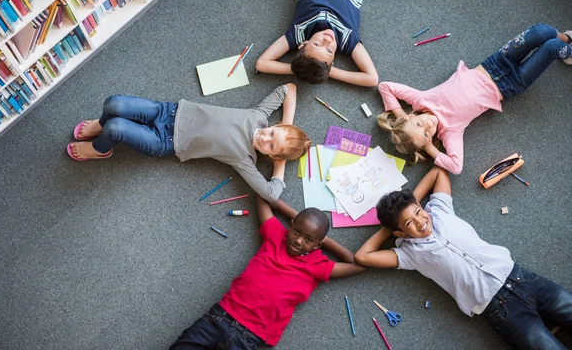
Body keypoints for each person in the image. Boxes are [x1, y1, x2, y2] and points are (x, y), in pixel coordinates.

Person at [354, 166, 572, 349]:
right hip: (499, 308)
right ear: (400, 234)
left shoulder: (439, 210)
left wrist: (410, 205)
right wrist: (393, 227)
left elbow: (438, 172)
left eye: (419, 213)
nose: (421, 222)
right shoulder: (408, 253)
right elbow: (362, 256)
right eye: (410, 224)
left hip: (520, 277)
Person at [169, 196, 365, 349]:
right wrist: (296, 219)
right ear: (290, 226)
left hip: (249, 337)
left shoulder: (318, 264)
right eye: (296, 231)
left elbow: (357, 263)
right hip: (219, 317)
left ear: (318, 244)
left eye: (308, 239)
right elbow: (262, 197)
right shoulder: (276, 234)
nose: (298, 241)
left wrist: (323, 240)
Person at [376, 23, 572, 174]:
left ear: (412, 116)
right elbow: (455, 166)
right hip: (510, 84)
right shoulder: (449, 132)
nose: (428, 126)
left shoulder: (420, 100)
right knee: (553, 47)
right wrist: (430, 148)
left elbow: (384, 86)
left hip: (494, 64)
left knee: (542, 31)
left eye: (419, 124)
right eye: (427, 135)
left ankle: (567, 39)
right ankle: (567, 50)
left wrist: (399, 115)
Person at [67, 84, 309, 202]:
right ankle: (100, 125)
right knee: (113, 104)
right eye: (272, 133)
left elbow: (271, 194)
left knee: (115, 128)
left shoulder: (245, 160)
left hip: (166, 142)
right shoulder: (259, 115)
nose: (264, 138)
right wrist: (286, 127)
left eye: (270, 146)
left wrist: (280, 164)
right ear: (274, 125)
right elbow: (288, 89)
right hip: (169, 112)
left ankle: (100, 149)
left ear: (271, 156)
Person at [255, 0, 378, 87]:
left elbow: (262, 64)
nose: (327, 40)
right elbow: (372, 79)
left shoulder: (298, 33)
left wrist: (301, 69)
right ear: (332, 62)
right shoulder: (346, 39)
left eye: (317, 44)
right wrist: (329, 71)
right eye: (329, 51)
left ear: (303, 44)